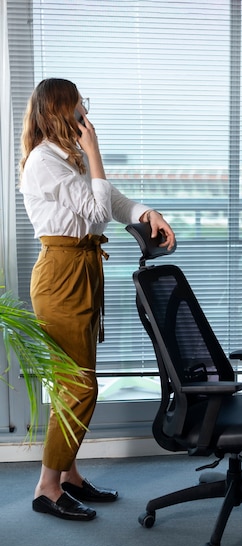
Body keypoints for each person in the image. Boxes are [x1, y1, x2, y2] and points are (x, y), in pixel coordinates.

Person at [19, 78, 175, 521]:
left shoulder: (63, 157)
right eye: (77, 106)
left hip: (81, 270)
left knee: (79, 378)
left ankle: (69, 476)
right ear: (58, 111)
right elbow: (94, 212)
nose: (83, 112)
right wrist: (95, 151)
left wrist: (147, 213)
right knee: (78, 386)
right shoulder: (43, 162)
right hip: (61, 276)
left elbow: (111, 199)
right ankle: (46, 487)